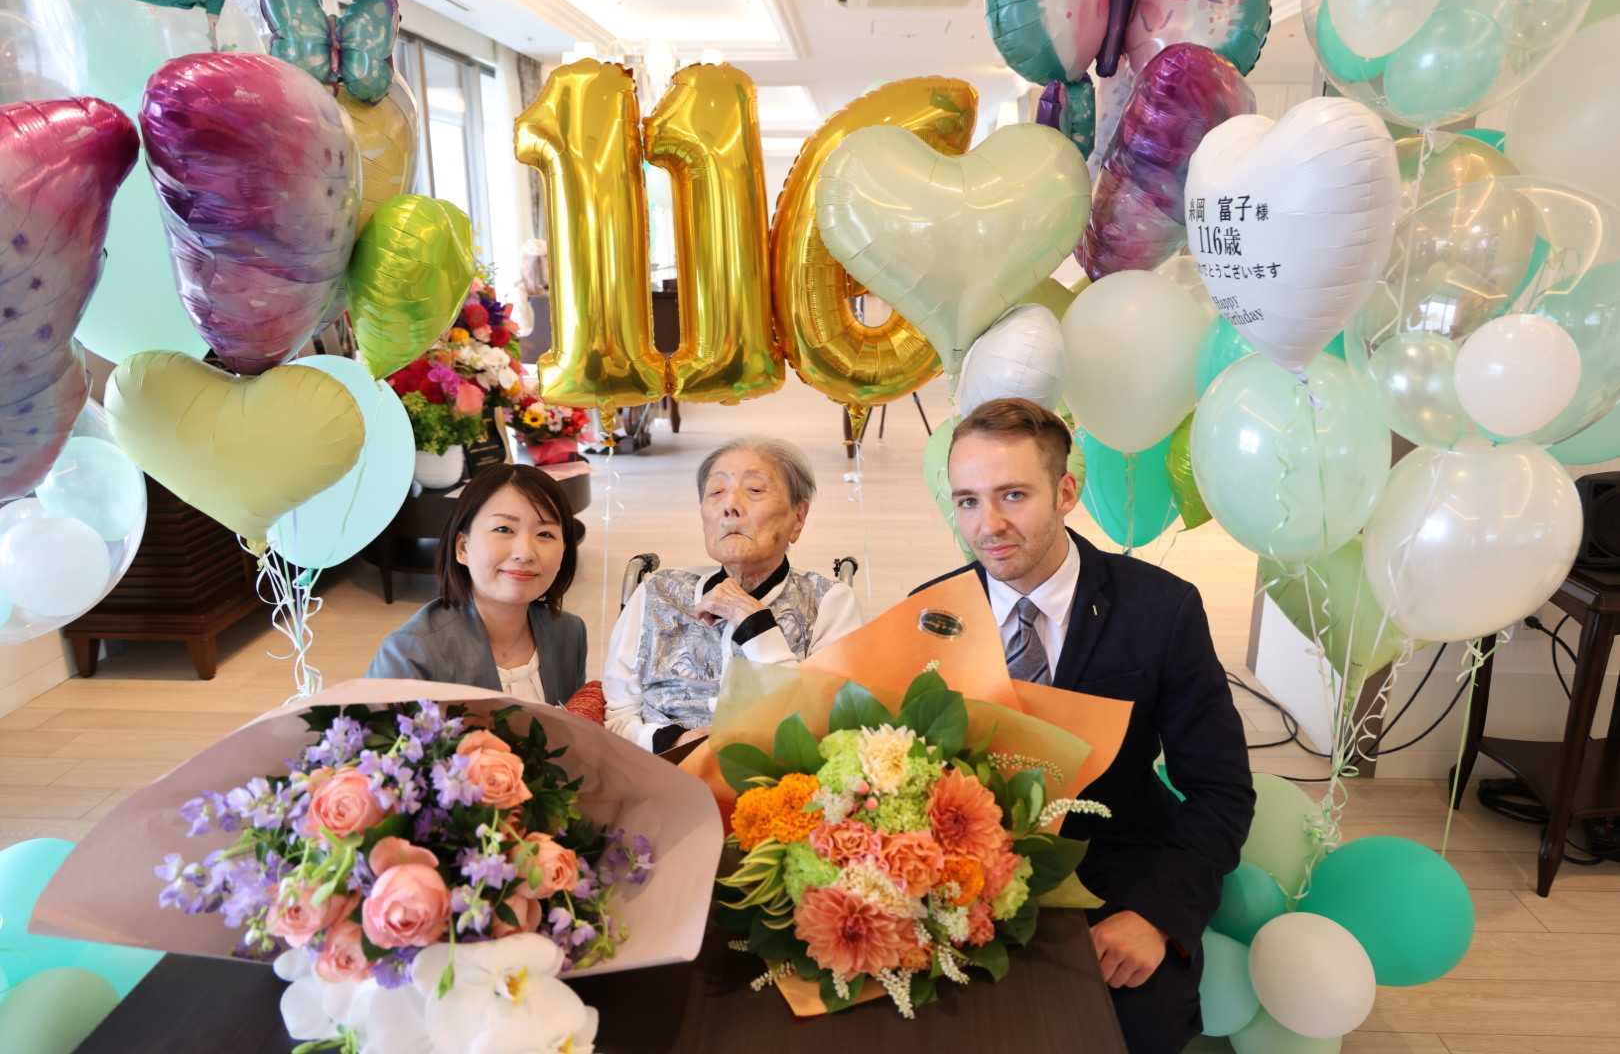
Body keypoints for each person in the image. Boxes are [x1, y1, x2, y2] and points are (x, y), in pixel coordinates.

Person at [916, 398, 1254, 1052]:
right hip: (961, 879)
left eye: (1012, 495)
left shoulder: (1162, 610)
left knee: (1133, 1026)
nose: (988, 525)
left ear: (1066, 491)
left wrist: (1156, 917)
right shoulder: (931, 612)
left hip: (1117, 871)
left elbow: (1220, 792)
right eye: (967, 501)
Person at [603, 437, 863, 753]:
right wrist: (673, 742)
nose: (730, 506)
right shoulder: (656, 592)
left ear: (798, 518)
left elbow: (830, 727)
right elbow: (617, 716)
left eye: (754, 490)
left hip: (777, 789)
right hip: (659, 778)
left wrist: (756, 625)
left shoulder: (829, 602)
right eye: (716, 492)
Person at [367, 464, 587, 705]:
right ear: (463, 548)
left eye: (545, 534)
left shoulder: (569, 633)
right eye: (504, 529)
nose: (525, 553)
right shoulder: (409, 654)